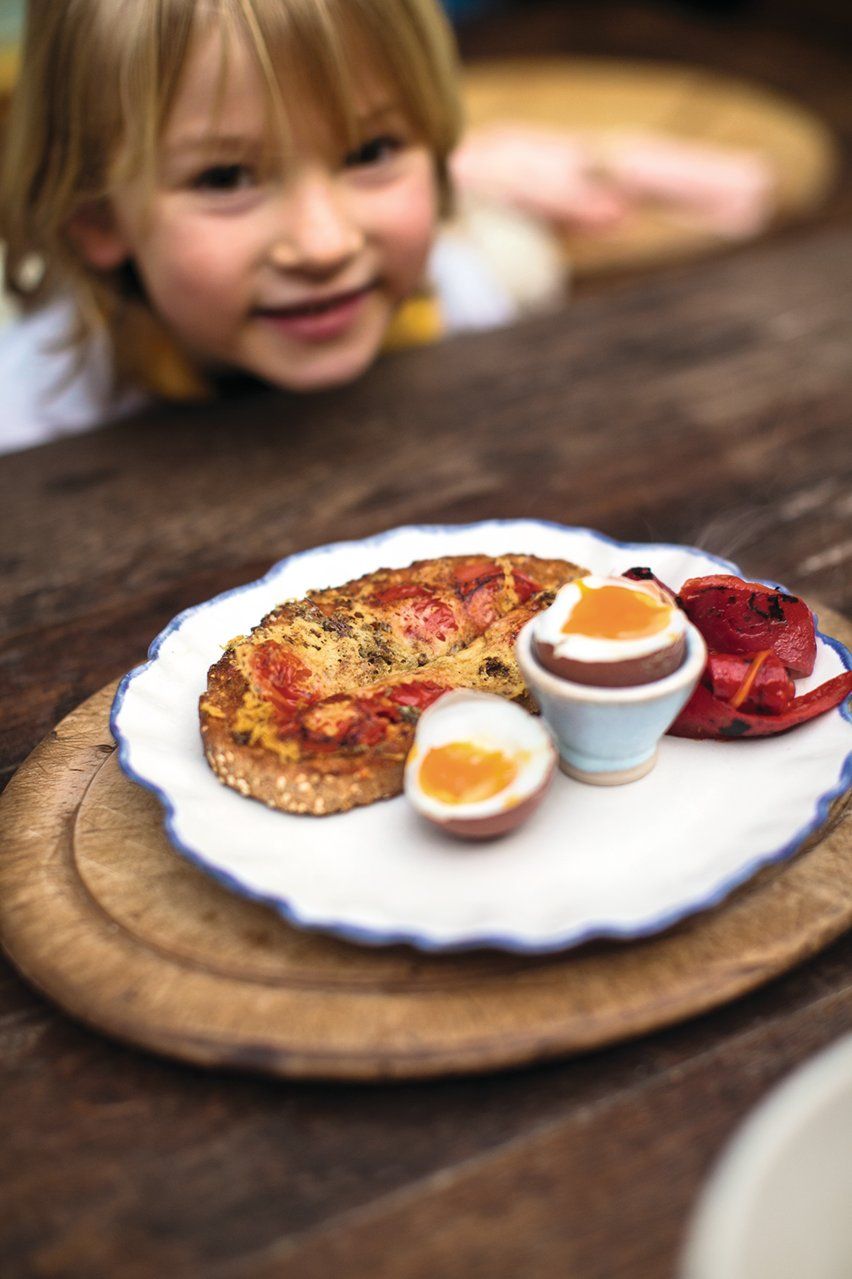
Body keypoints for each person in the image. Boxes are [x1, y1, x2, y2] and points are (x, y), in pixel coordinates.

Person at [0, 0, 561, 454]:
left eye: (371, 150)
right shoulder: (31, 418)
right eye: (224, 179)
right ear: (95, 216)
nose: (324, 245)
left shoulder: (468, 303)